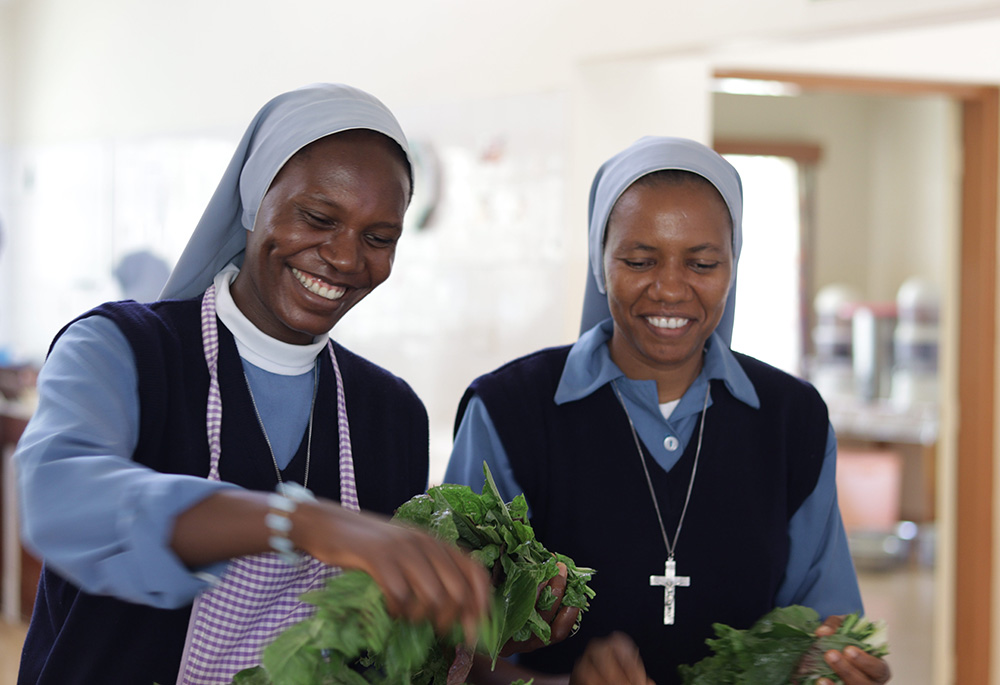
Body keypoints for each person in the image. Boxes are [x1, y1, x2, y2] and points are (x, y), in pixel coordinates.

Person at [14, 83, 492, 684]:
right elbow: (58, 498)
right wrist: (302, 524)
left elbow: (377, 640)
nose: (345, 258)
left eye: (378, 238)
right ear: (252, 200)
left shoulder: (390, 414)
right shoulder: (123, 350)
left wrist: (494, 624)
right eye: (318, 218)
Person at [445, 136, 892, 685]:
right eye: (639, 260)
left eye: (702, 263)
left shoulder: (791, 420)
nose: (670, 289)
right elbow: (449, 645)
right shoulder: (509, 411)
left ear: (733, 266)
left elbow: (824, 617)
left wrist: (833, 664)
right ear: (600, 263)